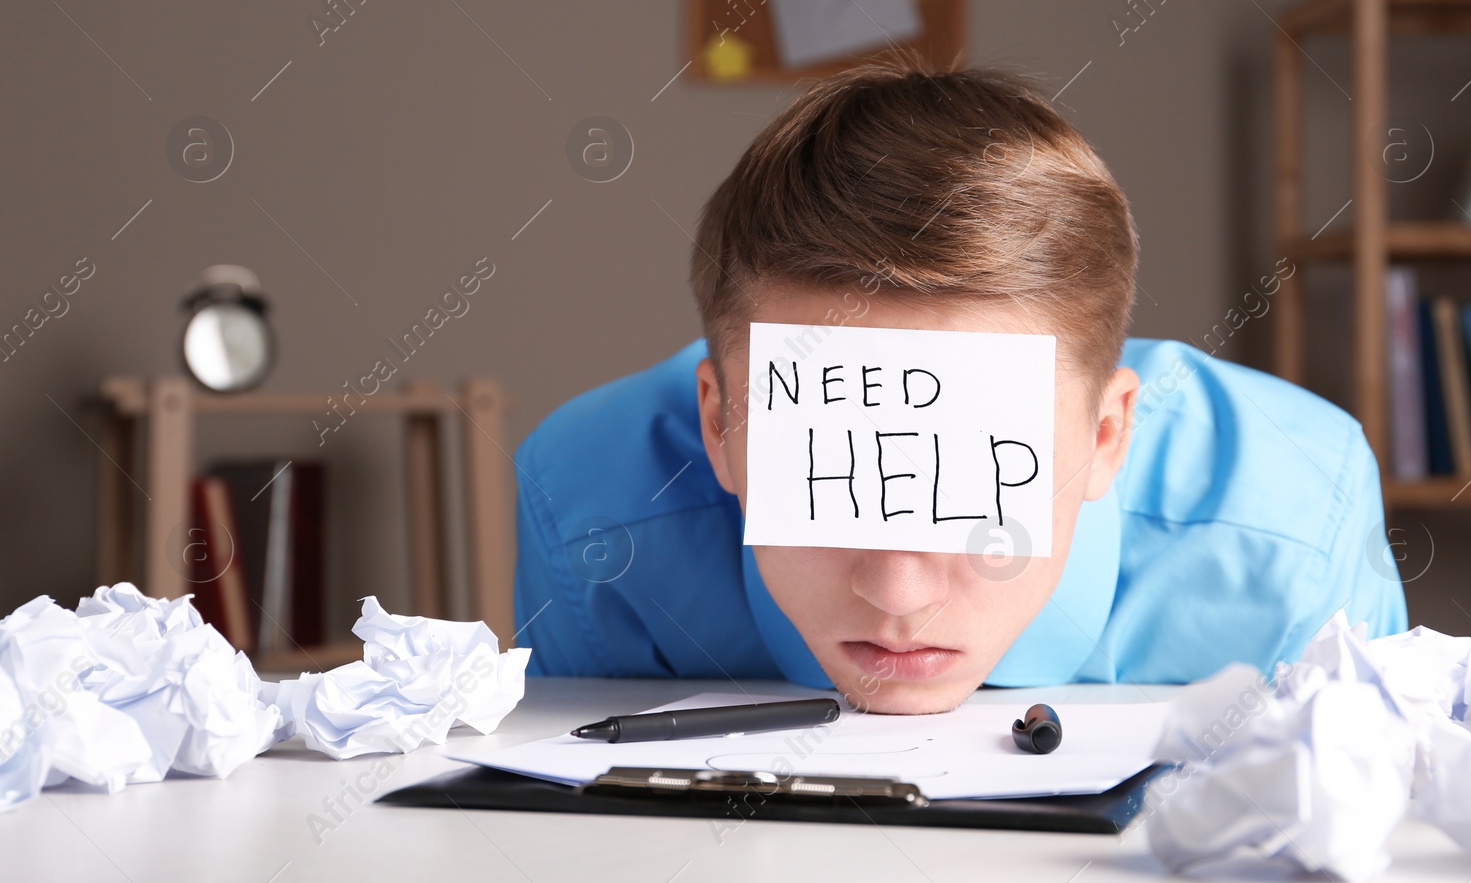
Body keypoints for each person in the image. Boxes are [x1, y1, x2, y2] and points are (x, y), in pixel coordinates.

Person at [512, 55, 1406, 715]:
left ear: (1107, 436)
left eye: (980, 478)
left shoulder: (1295, 521)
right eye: (829, 469)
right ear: (719, 428)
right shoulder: (590, 514)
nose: (899, 595)